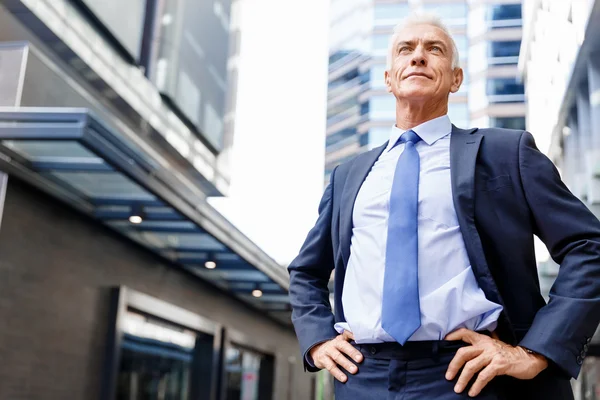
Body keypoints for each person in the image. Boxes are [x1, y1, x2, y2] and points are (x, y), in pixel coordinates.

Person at [288, 12, 600, 400]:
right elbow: (306, 271)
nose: (418, 56)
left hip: (467, 377)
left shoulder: (507, 153)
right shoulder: (348, 175)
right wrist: (318, 339)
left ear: (456, 78)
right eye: (406, 49)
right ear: (389, 78)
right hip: (362, 377)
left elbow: (589, 247)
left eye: (434, 49)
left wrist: (535, 351)